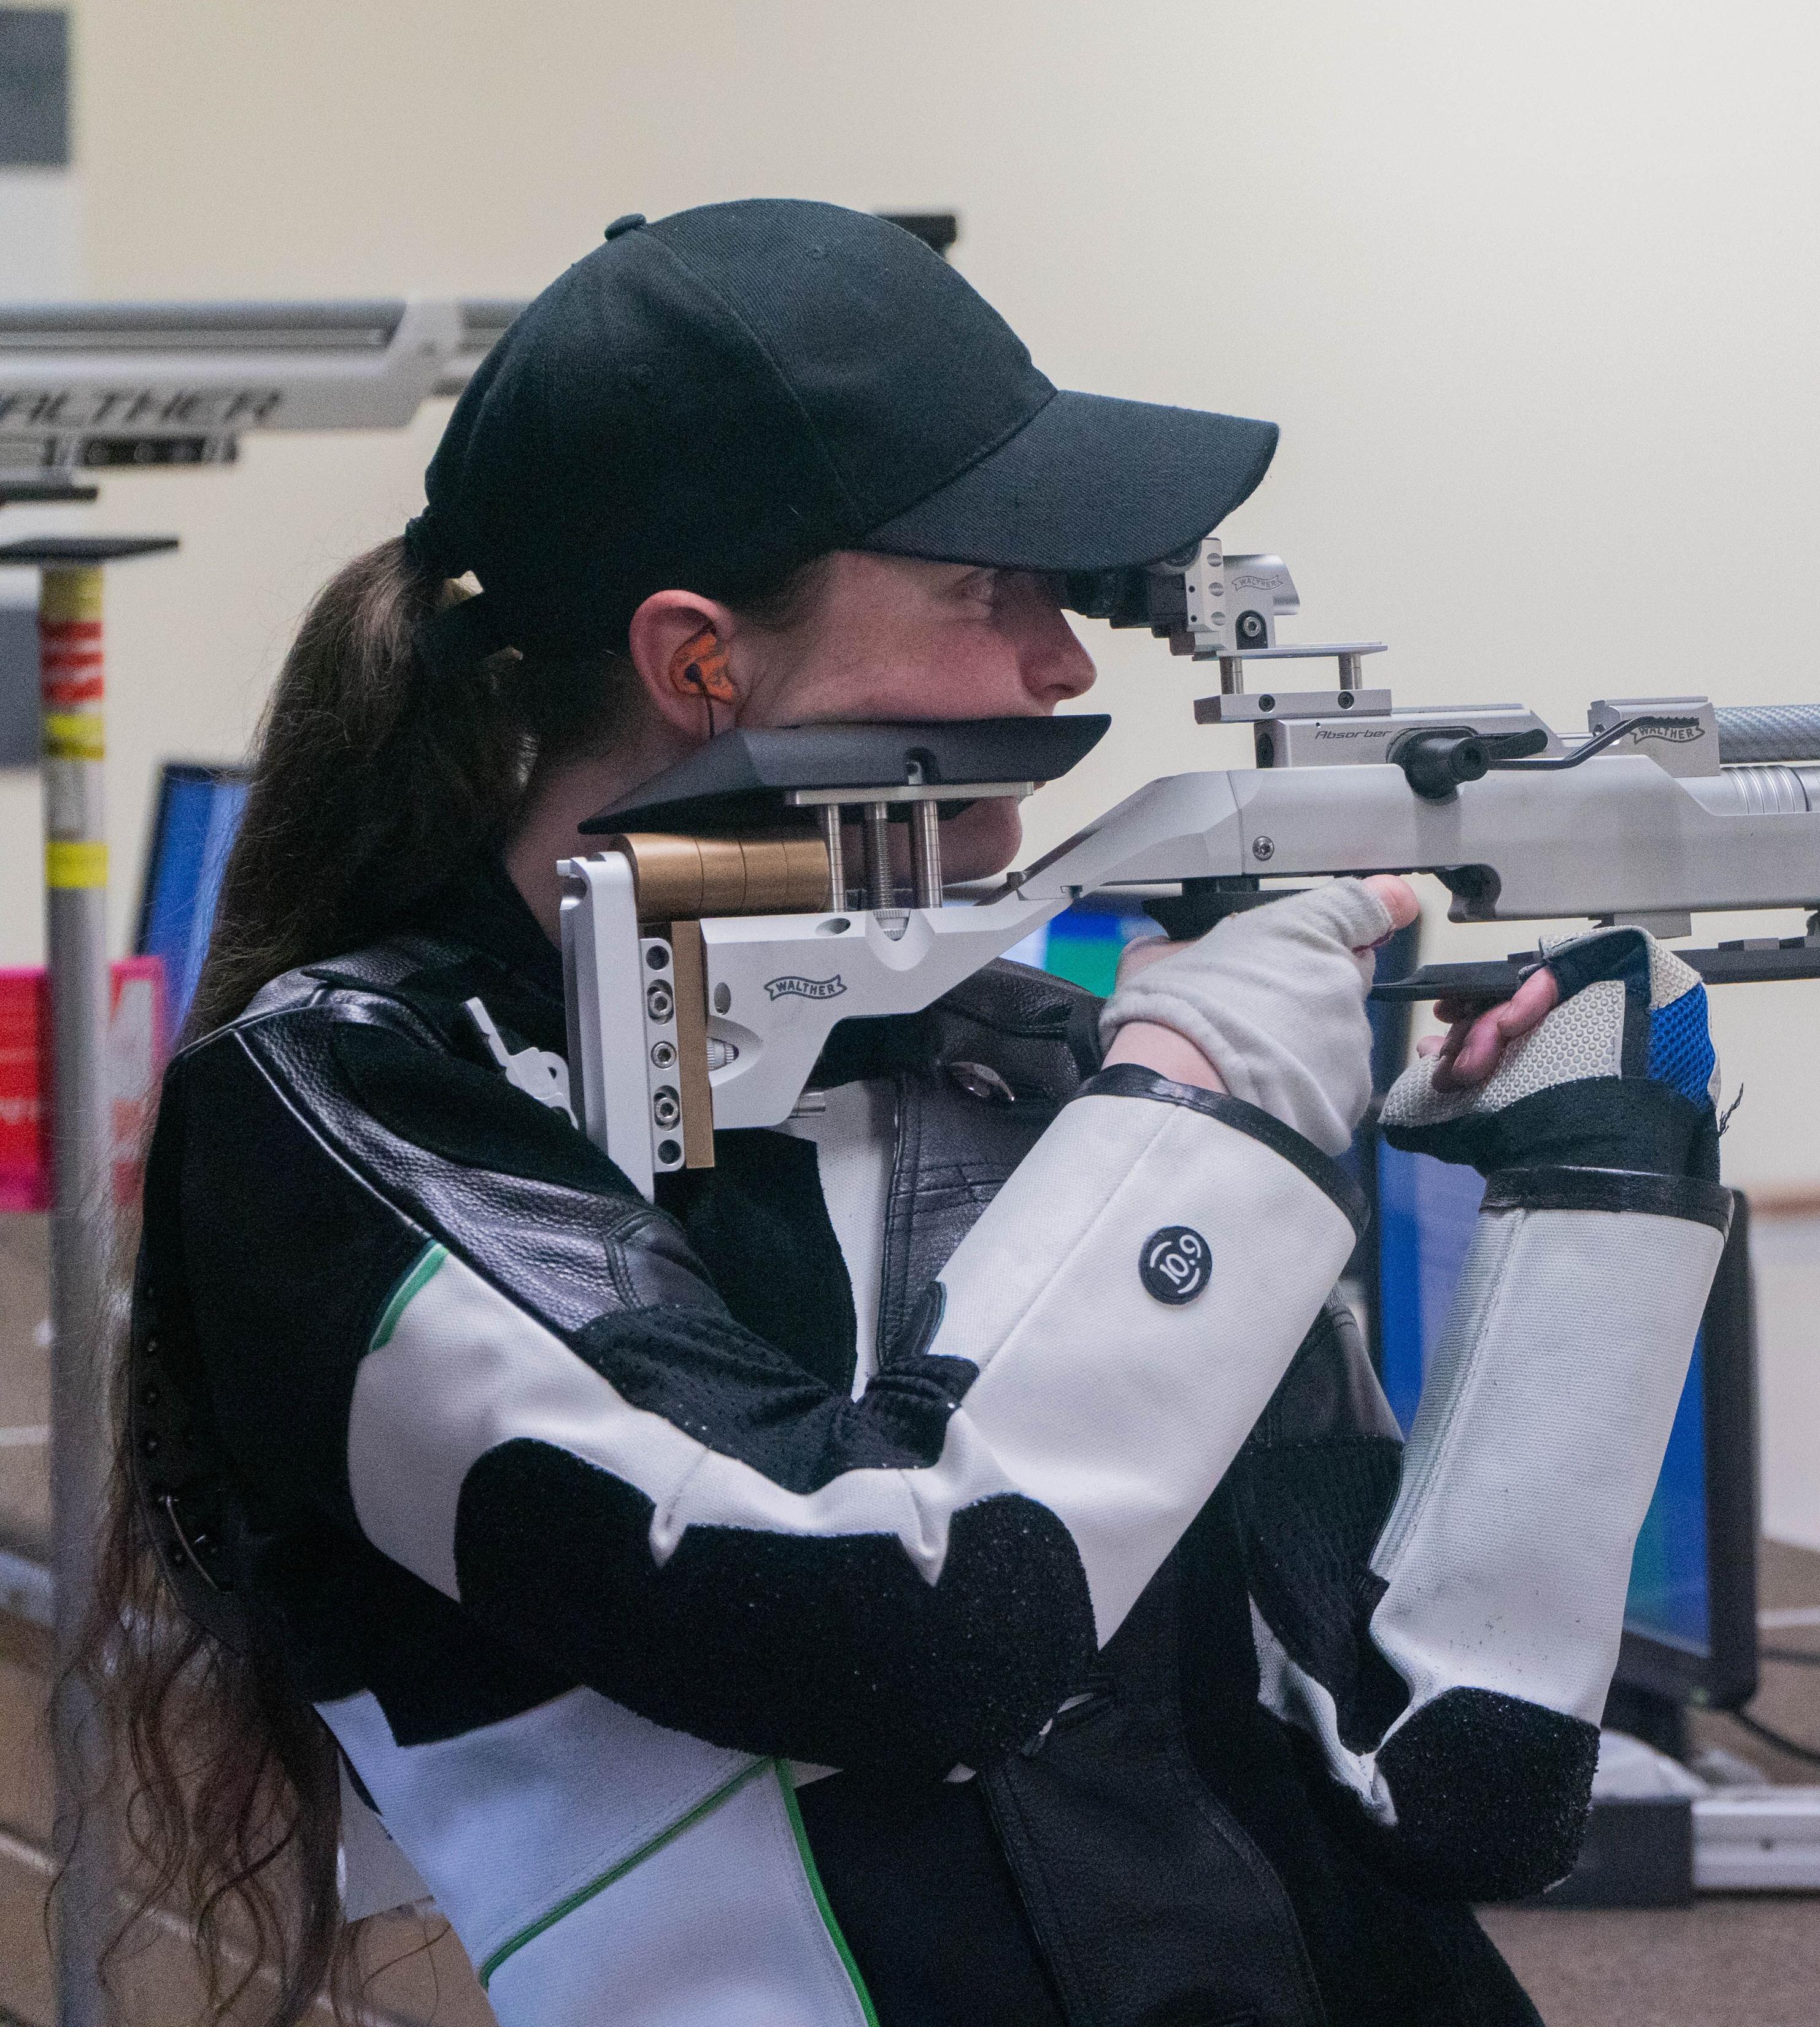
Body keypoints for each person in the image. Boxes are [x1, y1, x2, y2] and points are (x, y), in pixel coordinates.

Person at [96, 199, 1732, 2027]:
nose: (1064, 667)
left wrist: (1593, 1189)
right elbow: (899, 1629)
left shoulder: (1014, 1060)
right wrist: (1200, 1113)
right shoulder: (347, 1123)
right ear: (699, 660)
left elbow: (1457, 1786)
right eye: (986, 588)